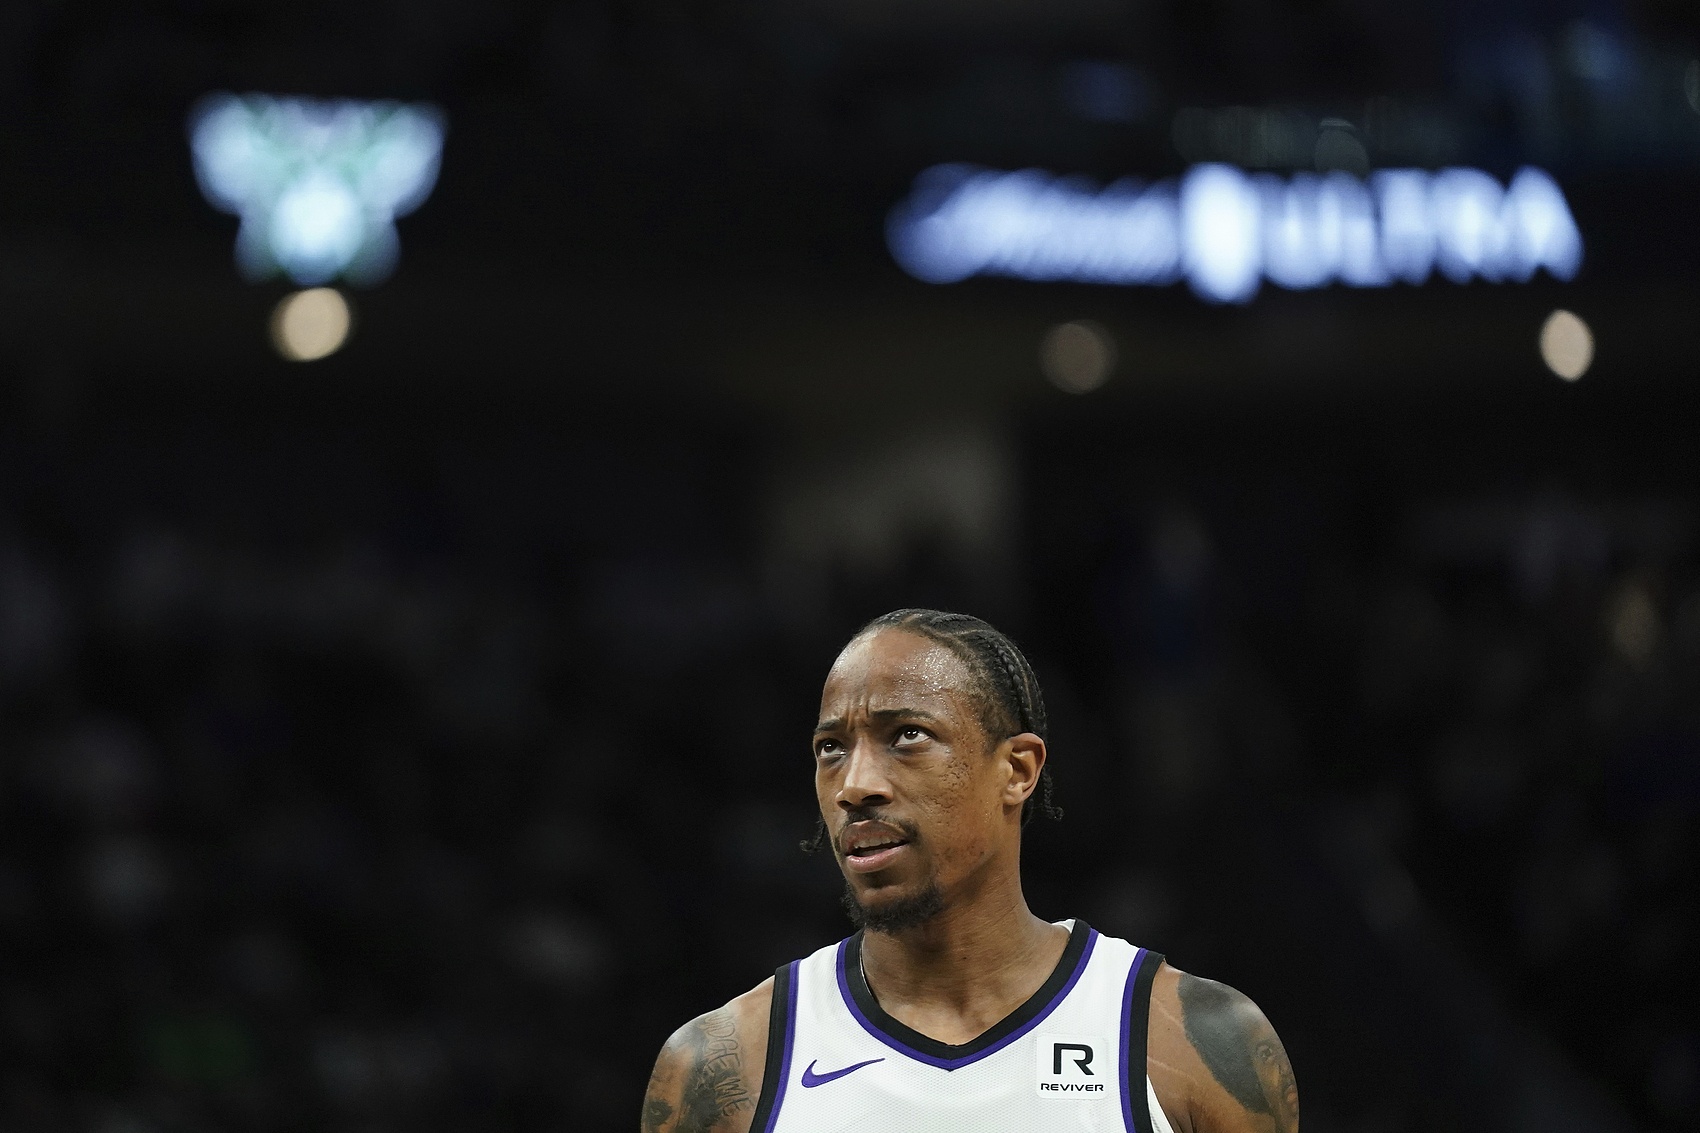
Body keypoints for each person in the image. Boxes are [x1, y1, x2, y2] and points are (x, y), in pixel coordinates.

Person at [641, 609, 1298, 1133]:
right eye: (831, 748)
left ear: (1016, 770)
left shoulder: (1194, 1042)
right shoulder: (721, 1068)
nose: (855, 785)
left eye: (906, 735)